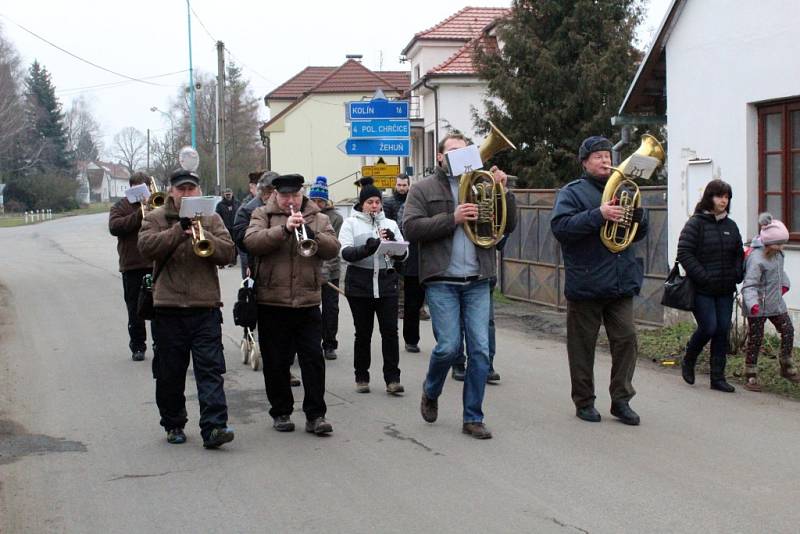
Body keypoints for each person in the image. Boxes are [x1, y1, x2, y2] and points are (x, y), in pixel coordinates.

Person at [403, 132, 516, 439]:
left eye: (465, 150)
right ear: (440, 157)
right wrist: (451, 218)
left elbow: (509, 225)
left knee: (480, 350)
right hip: (442, 279)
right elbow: (410, 228)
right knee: (449, 347)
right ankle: (431, 389)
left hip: (478, 278)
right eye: (452, 151)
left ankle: (472, 417)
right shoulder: (423, 189)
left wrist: (504, 193)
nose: (459, 155)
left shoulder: (485, 183)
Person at [550, 136, 648, 425]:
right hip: (587, 282)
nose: (606, 161)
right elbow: (561, 228)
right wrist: (599, 214)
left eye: (608, 155)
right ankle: (584, 401)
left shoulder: (624, 189)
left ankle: (621, 400)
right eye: (598, 157)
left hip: (621, 281)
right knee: (582, 347)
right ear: (584, 162)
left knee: (627, 339)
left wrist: (639, 219)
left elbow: (638, 235)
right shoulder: (572, 193)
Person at [138, 165, 236, 448]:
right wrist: (178, 231)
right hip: (167, 307)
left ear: (199, 191)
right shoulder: (156, 217)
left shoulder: (212, 216)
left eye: (191, 188)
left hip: (204, 306)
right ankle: (173, 423)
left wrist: (204, 235)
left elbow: (228, 253)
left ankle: (214, 427)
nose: (186, 193)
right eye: (181, 189)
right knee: (170, 373)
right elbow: (147, 248)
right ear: (171, 191)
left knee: (210, 370)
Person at [243, 174, 340, 435]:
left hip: (308, 300)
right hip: (272, 300)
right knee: (276, 361)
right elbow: (251, 242)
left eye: (295, 196)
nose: (290, 201)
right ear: (276, 194)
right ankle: (281, 411)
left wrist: (312, 235)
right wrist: (283, 229)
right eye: (285, 196)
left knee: (313, 360)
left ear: (301, 194)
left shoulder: (318, 216)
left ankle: (316, 415)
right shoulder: (262, 214)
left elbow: (333, 248)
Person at [232, 171, 301, 387]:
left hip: (288, 271)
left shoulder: (291, 209)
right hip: (256, 266)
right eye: (270, 191)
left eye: (277, 191)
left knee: (287, 326)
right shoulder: (248, 209)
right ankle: (253, 339)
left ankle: (285, 366)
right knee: (259, 314)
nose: (276, 196)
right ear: (263, 192)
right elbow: (242, 240)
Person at [340, 177, 407, 395]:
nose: (375, 206)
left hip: (386, 283)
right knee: (363, 333)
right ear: (362, 204)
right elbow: (345, 253)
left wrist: (393, 246)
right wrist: (369, 247)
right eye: (370, 202)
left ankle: (393, 379)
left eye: (377, 202)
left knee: (390, 332)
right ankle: (361, 376)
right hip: (360, 284)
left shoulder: (390, 224)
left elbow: (403, 254)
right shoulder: (351, 223)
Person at [676, 179, 743, 393]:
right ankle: (689, 358)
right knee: (709, 327)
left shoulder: (731, 226)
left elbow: (738, 253)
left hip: (725, 288)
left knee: (722, 330)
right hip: (702, 288)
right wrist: (703, 277)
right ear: (709, 197)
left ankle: (718, 377)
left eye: (726, 197)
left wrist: (737, 273)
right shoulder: (696, 223)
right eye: (719, 196)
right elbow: (684, 253)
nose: (723, 201)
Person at [741, 213, 798, 391]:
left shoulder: (778, 254)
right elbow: (749, 284)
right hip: (757, 306)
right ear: (768, 243)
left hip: (775, 303)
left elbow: (780, 273)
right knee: (756, 339)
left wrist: (784, 285)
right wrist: (753, 304)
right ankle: (751, 374)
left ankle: (786, 366)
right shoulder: (756, 259)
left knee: (788, 330)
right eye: (779, 243)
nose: (782, 247)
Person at [108, 171, 153, 362]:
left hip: (154, 262)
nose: (144, 192)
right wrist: (139, 214)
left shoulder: (156, 204)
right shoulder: (120, 206)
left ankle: (161, 343)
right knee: (135, 309)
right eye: (139, 188)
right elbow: (115, 227)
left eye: (147, 188)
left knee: (160, 307)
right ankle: (138, 346)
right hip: (132, 265)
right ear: (132, 188)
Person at [308, 176, 343, 361]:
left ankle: (329, 344)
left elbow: (333, 247)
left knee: (331, 309)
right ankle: (310, 342)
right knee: (311, 308)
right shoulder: (305, 216)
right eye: (313, 200)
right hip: (309, 269)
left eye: (320, 200)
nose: (317, 204)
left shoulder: (335, 218)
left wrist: (326, 271)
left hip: (331, 270)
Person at [396, 199, 424, 353]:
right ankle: (411, 339)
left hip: (434, 261)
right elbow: (404, 228)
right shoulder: (406, 206)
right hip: (413, 261)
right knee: (412, 304)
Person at [215, 188, 239, 268]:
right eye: (226, 194)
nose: (228, 196)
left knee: (234, 245)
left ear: (232, 194)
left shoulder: (237, 203)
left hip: (234, 227)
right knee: (222, 245)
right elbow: (217, 216)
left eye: (229, 194)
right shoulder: (220, 205)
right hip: (223, 228)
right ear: (224, 195)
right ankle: (221, 263)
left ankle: (233, 260)